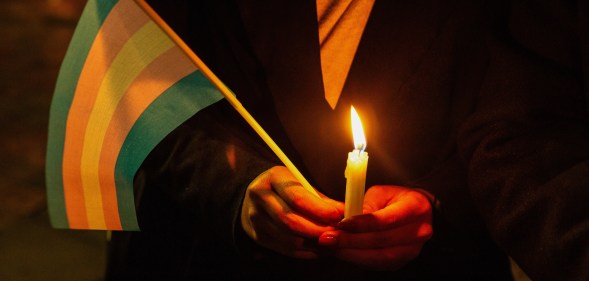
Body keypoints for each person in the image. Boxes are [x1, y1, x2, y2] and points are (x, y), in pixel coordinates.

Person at [105, 0, 589, 280]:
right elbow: (136, 77)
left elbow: (528, 106)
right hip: (202, 255)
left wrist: (435, 200)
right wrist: (236, 188)